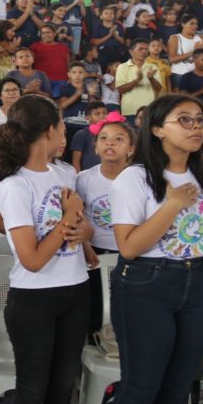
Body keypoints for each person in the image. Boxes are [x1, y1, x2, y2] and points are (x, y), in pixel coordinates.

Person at [110, 94, 203, 404]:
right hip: (147, 285)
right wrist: (173, 204)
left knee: (178, 391)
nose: (196, 127)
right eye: (184, 119)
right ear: (158, 129)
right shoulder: (135, 178)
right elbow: (129, 247)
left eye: (201, 120)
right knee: (140, 390)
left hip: (199, 285)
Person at [0, 94, 91, 404]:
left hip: (76, 289)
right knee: (32, 391)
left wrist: (84, 233)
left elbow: (80, 222)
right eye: (62, 129)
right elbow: (31, 260)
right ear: (49, 130)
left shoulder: (64, 173)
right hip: (34, 298)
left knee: (62, 389)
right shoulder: (15, 184)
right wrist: (67, 220)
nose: (64, 136)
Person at [75, 113, 135, 334]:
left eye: (119, 139)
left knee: (128, 310)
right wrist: (86, 245)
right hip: (94, 253)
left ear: (131, 149)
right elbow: (77, 215)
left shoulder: (141, 179)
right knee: (96, 311)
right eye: (103, 138)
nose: (110, 143)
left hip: (131, 253)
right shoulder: (84, 179)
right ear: (96, 147)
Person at [116, 39, 164, 123]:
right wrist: (137, 80)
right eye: (141, 49)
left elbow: (159, 88)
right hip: (130, 111)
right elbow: (120, 89)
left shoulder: (153, 67)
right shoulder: (122, 67)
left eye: (146, 49)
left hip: (148, 110)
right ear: (131, 52)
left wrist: (151, 78)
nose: (144, 51)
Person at [70, 101, 109, 173]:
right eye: (97, 114)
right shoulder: (81, 134)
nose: (102, 116)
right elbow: (75, 162)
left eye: (104, 113)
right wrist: (79, 177)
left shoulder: (111, 135)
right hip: (87, 176)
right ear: (88, 117)